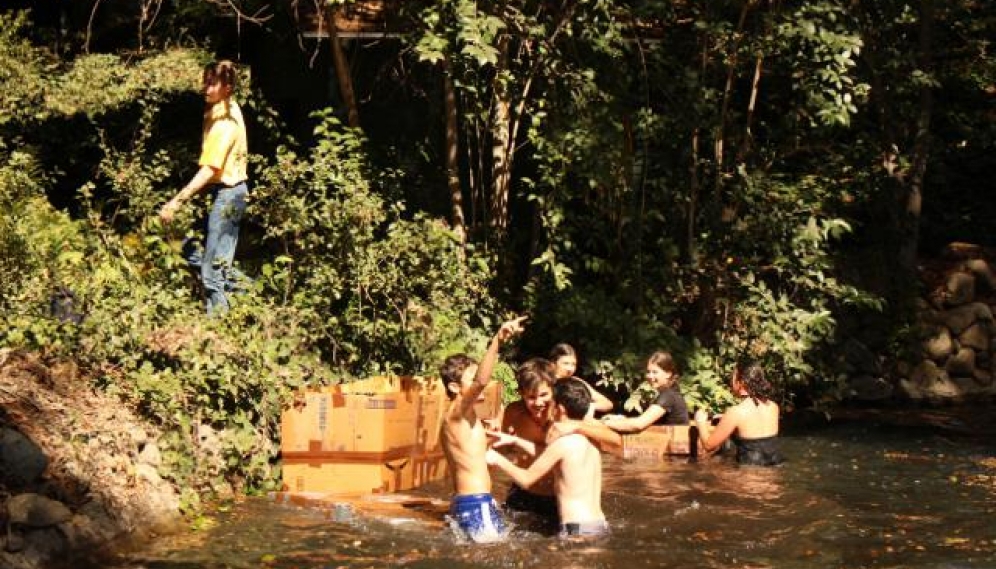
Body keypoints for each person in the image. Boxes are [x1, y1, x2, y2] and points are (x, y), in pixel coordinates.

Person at [159, 60, 249, 314]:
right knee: (195, 252)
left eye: (212, 84)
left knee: (213, 271)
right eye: (205, 82)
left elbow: (210, 169)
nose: (206, 88)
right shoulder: (224, 108)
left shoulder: (224, 124)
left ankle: (217, 330)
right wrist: (223, 67)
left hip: (229, 194)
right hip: (219, 192)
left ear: (227, 88)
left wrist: (176, 201)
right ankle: (258, 295)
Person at [494, 359, 620, 529]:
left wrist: (577, 426)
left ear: (553, 392)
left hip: (554, 497)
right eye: (531, 397)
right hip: (522, 493)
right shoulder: (514, 412)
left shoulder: (564, 414)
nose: (538, 403)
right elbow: (503, 449)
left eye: (544, 395)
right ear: (521, 393)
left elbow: (616, 441)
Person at [439, 315, 527, 543]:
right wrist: (498, 340)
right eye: (471, 379)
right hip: (476, 502)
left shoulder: (458, 418)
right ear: (454, 386)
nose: (480, 389)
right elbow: (481, 382)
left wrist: (492, 441)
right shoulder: (457, 412)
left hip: (467, 501)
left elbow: (467, 456)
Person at [693, 361, 784, 466]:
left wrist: (701, 422)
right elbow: (756, 428)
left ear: (741, 383)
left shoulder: (735, 412)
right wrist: (726, 418)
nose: (731, 382)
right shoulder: (773, 406)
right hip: (775, 467)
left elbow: (709, 446)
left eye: (733, 378)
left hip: (749, 473)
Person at [602, 351, 690, 433]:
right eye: (648, 372)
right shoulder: (671, 393)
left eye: (655, 372)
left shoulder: (668, 396)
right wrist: (620, 419)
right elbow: (645, 421)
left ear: (668, 374)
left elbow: (639, 424)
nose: (650, 376)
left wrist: (605, 424)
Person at [548, 343, 613, 416]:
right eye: (565, 363)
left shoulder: (576, 382)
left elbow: (607, 404)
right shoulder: (546, 382)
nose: (570, 369)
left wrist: (588, 406)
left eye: (573, 364)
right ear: (553, 364)